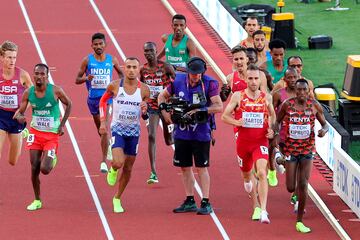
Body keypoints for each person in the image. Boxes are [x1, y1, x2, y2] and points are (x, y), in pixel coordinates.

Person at [158, 57, 222, 215]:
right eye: (193, 73)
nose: (196, 76)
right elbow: (161, 97)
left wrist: (201, 111)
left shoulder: (210, 83)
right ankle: (190, 200)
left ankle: (206, 201)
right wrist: (165, 114)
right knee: (184, 167)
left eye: (199, 73)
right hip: (182, 133)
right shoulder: (178, 81)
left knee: (201, 168)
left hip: (201, 133)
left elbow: (218, 106)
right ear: (188, 71)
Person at [221, 64, 276, 223]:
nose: (253, 82)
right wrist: (238, 122)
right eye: (250, 78)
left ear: (260, 80)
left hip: (260, 141)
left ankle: (263, 210)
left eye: (256, 78)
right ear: (245, 79)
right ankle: (247, 182)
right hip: (243, 144)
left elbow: (272, 116)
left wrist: (271, 130)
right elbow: (224, 117)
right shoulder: (238, 96)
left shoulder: (267, 97)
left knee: (261, 172)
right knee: (247, 175)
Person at [14, 63, 72, 211]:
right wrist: (20, 117)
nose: (39, 77)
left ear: (47, 76)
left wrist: (62, 124)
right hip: (35, 133)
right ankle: (37, 200)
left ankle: (52, 159)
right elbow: (20, 112)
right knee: (34, 168)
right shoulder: (28, 93)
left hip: (51, 136)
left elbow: (69, 104)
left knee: (45, 169)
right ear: (33, 75)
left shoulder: (56, 91)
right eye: (37, 74)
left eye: (42, 74)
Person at [275, 79, 328, 233]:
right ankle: (283, 162)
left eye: (305, 90)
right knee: (291, 187)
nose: (302, 93)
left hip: (307, 150)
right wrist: (277, 135)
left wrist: (323, 131)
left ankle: (299, 221)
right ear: (295, 91)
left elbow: (324, 124)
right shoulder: (287, 104)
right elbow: (277, 122)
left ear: (308, 90)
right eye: (299, 90)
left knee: (303, 184)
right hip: (291, 150)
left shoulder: (314, 105)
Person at [99, 57, 150, 213]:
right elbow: (102, 102)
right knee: (118, 162)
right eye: (128, 67)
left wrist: (145, 110)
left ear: (139, 68)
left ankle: (117, 198)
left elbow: (145, 115)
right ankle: (113, 169)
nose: (131, 70)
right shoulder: (115, 86)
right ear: (124, 68)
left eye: (134, 67)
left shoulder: (144, 89)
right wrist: (102, 122)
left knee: (128, 167)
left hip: (134, 132)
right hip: (118, 128)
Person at [75, 32, 123, 173]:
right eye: (95, 44)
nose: (98, 46)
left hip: (106, 100)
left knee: (104, 128)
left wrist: (118, 86)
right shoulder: (87, 61)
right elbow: (77, 79)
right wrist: (86, 79)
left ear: (105, 44)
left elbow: (121, 74)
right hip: (92, 100)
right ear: (92, 46)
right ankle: (107, 145)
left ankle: (103, 162)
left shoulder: (112, 60)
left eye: (100, 44)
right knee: (100, 130)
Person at [140, 42, 175, 184]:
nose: (149, 53)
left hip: (166, 105)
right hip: (152, 106)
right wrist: (143, 103)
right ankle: (153, 172)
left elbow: (176, 81)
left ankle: (175, 137)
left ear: (156, 52)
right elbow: (142, 87)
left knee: (169, 141)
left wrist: (171, 97)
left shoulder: (165, 66)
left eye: (151, 51)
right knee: (151, 135)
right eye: (146, 51)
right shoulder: (143, 70)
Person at [0, 41, 32, 167]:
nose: (12, 61)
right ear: (2, 58)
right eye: (9, 57)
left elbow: (33, 95)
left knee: (12, 161)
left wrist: (22, 110)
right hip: (1, 116)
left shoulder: (23, 75)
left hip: (16, 117)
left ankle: (23, 132)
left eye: (14, 57)